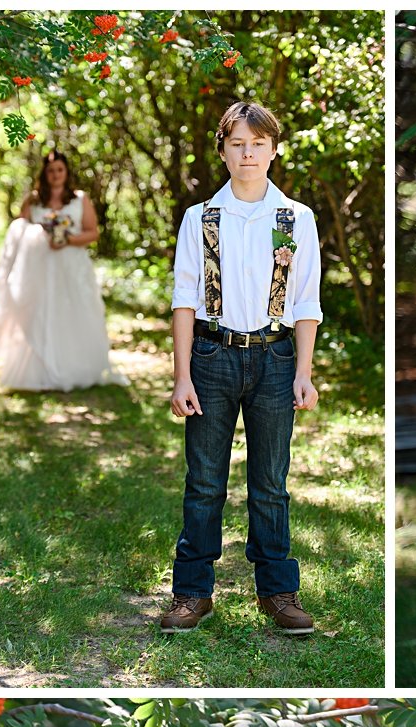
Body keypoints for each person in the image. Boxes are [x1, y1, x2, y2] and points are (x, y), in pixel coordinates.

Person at [161, 98, 323, 636]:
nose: (248, 154)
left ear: (274, 151)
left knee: (271, 482)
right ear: (224, 153)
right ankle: (192, 592)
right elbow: (185, 298)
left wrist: (304, 370)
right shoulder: (200, 219)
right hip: (211, 357)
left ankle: (277, 590)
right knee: (205, 480)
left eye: (258, 144)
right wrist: (182, 375)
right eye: (237, 144)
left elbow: (305, 301)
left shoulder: (295, 219)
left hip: (276, 360)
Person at [0, 147, 114, 393]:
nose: (55, 174)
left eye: (60, 170)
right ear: (44, 173)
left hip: (71, 267)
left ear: (66, 172)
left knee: (72, 313)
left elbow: (92, 233)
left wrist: (66, 239)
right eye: (51, 171)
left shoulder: (79, 199)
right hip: (38, 270)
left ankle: (74, 368)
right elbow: (18, 231)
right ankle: (37, 370)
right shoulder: (34, 200)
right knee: (38, 314)